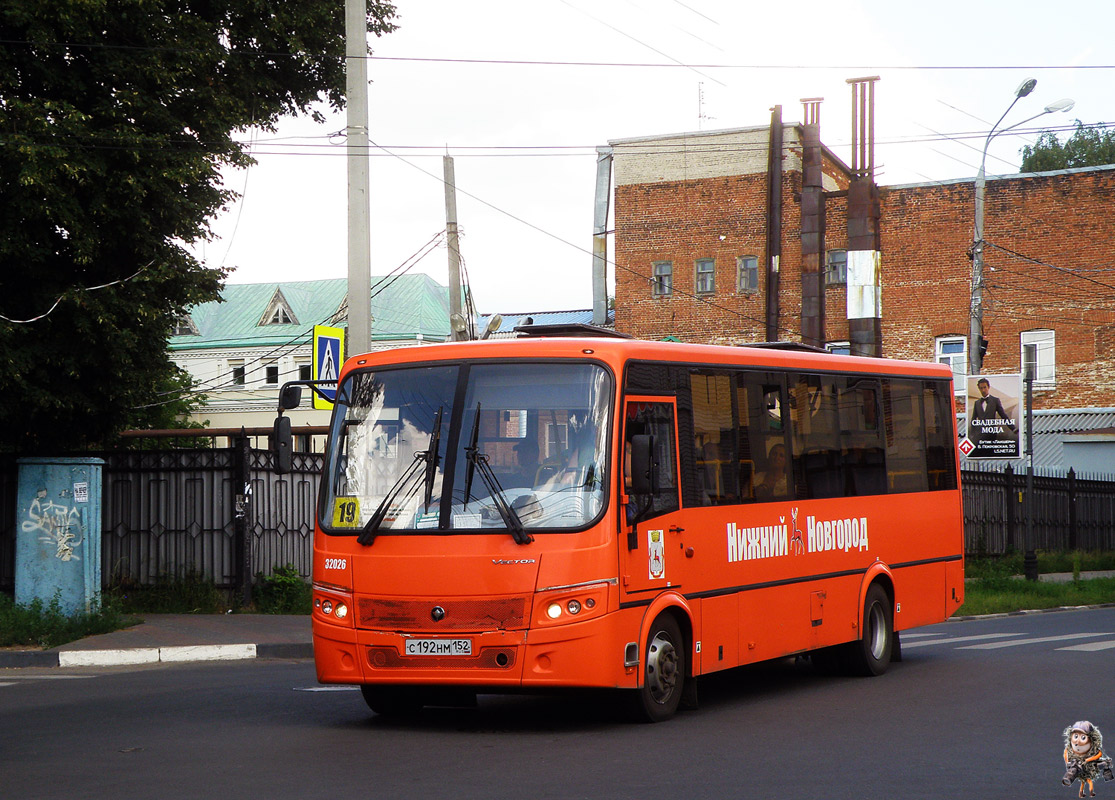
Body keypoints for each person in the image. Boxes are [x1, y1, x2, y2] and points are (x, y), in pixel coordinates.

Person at [968, 378, 1015, 447]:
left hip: (991, 433)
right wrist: (972, 434)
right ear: (979, 389)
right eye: (981, 388)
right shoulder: (977, 403)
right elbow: (974, 419)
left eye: (985, 387)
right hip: (979, 435)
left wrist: (1013, 428)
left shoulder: (995, 400)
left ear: (988, 387)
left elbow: (1003, 415)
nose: (983, 390)